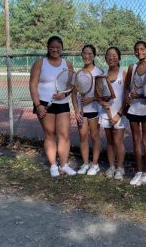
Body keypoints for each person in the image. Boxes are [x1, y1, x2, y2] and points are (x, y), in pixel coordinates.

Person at [28, 35, 77, 177]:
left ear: (62, 49)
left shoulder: (67, 64)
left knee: (64, 135)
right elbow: (33, 84)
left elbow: (71, 85)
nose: (55, 49)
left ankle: (63, 165)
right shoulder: (39, 63)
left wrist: (64, 94)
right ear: (48, 48)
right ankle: (53, 166)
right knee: (50, 134)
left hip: (62, 104)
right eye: (52, 47)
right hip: (44, 104)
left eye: (58, 47)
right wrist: (38, 105)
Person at [124, 40, 146, 186]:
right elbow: (126, 88)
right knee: (136, 140)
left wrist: (141, 96)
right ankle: (139, 172)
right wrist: (128, 98)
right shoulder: (132, 67)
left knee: (145, 140)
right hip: (134, 109)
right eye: (136, 49)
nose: (139, 52)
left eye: (142, 49)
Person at [98, 47, 129, 180]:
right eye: (109, 56)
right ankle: (111, 167)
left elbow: (127, 98)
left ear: (119, 58)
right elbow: (98, 95)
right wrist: (102, 103)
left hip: (119, 115)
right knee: (110, 142)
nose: (111, 58)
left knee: (118, 141)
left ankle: (120, 168)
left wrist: (119, 114)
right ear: (105, 59)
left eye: (114, 55)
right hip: (106, 114)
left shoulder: (124, 73)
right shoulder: (101, 75)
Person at [73, 44, 102, 176]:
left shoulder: (99, 72)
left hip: (95, 110)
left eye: (90, 54)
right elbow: (74, 94)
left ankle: (95, 165)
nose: (87, 56)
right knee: (83, 137)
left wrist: (92, 99)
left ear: (94, 56)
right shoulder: (78, 73)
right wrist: (76, 110)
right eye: (85, 53)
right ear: (82, 55)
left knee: (95, 137)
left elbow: (102, 94)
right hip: (81, 111)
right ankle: (85, 164)